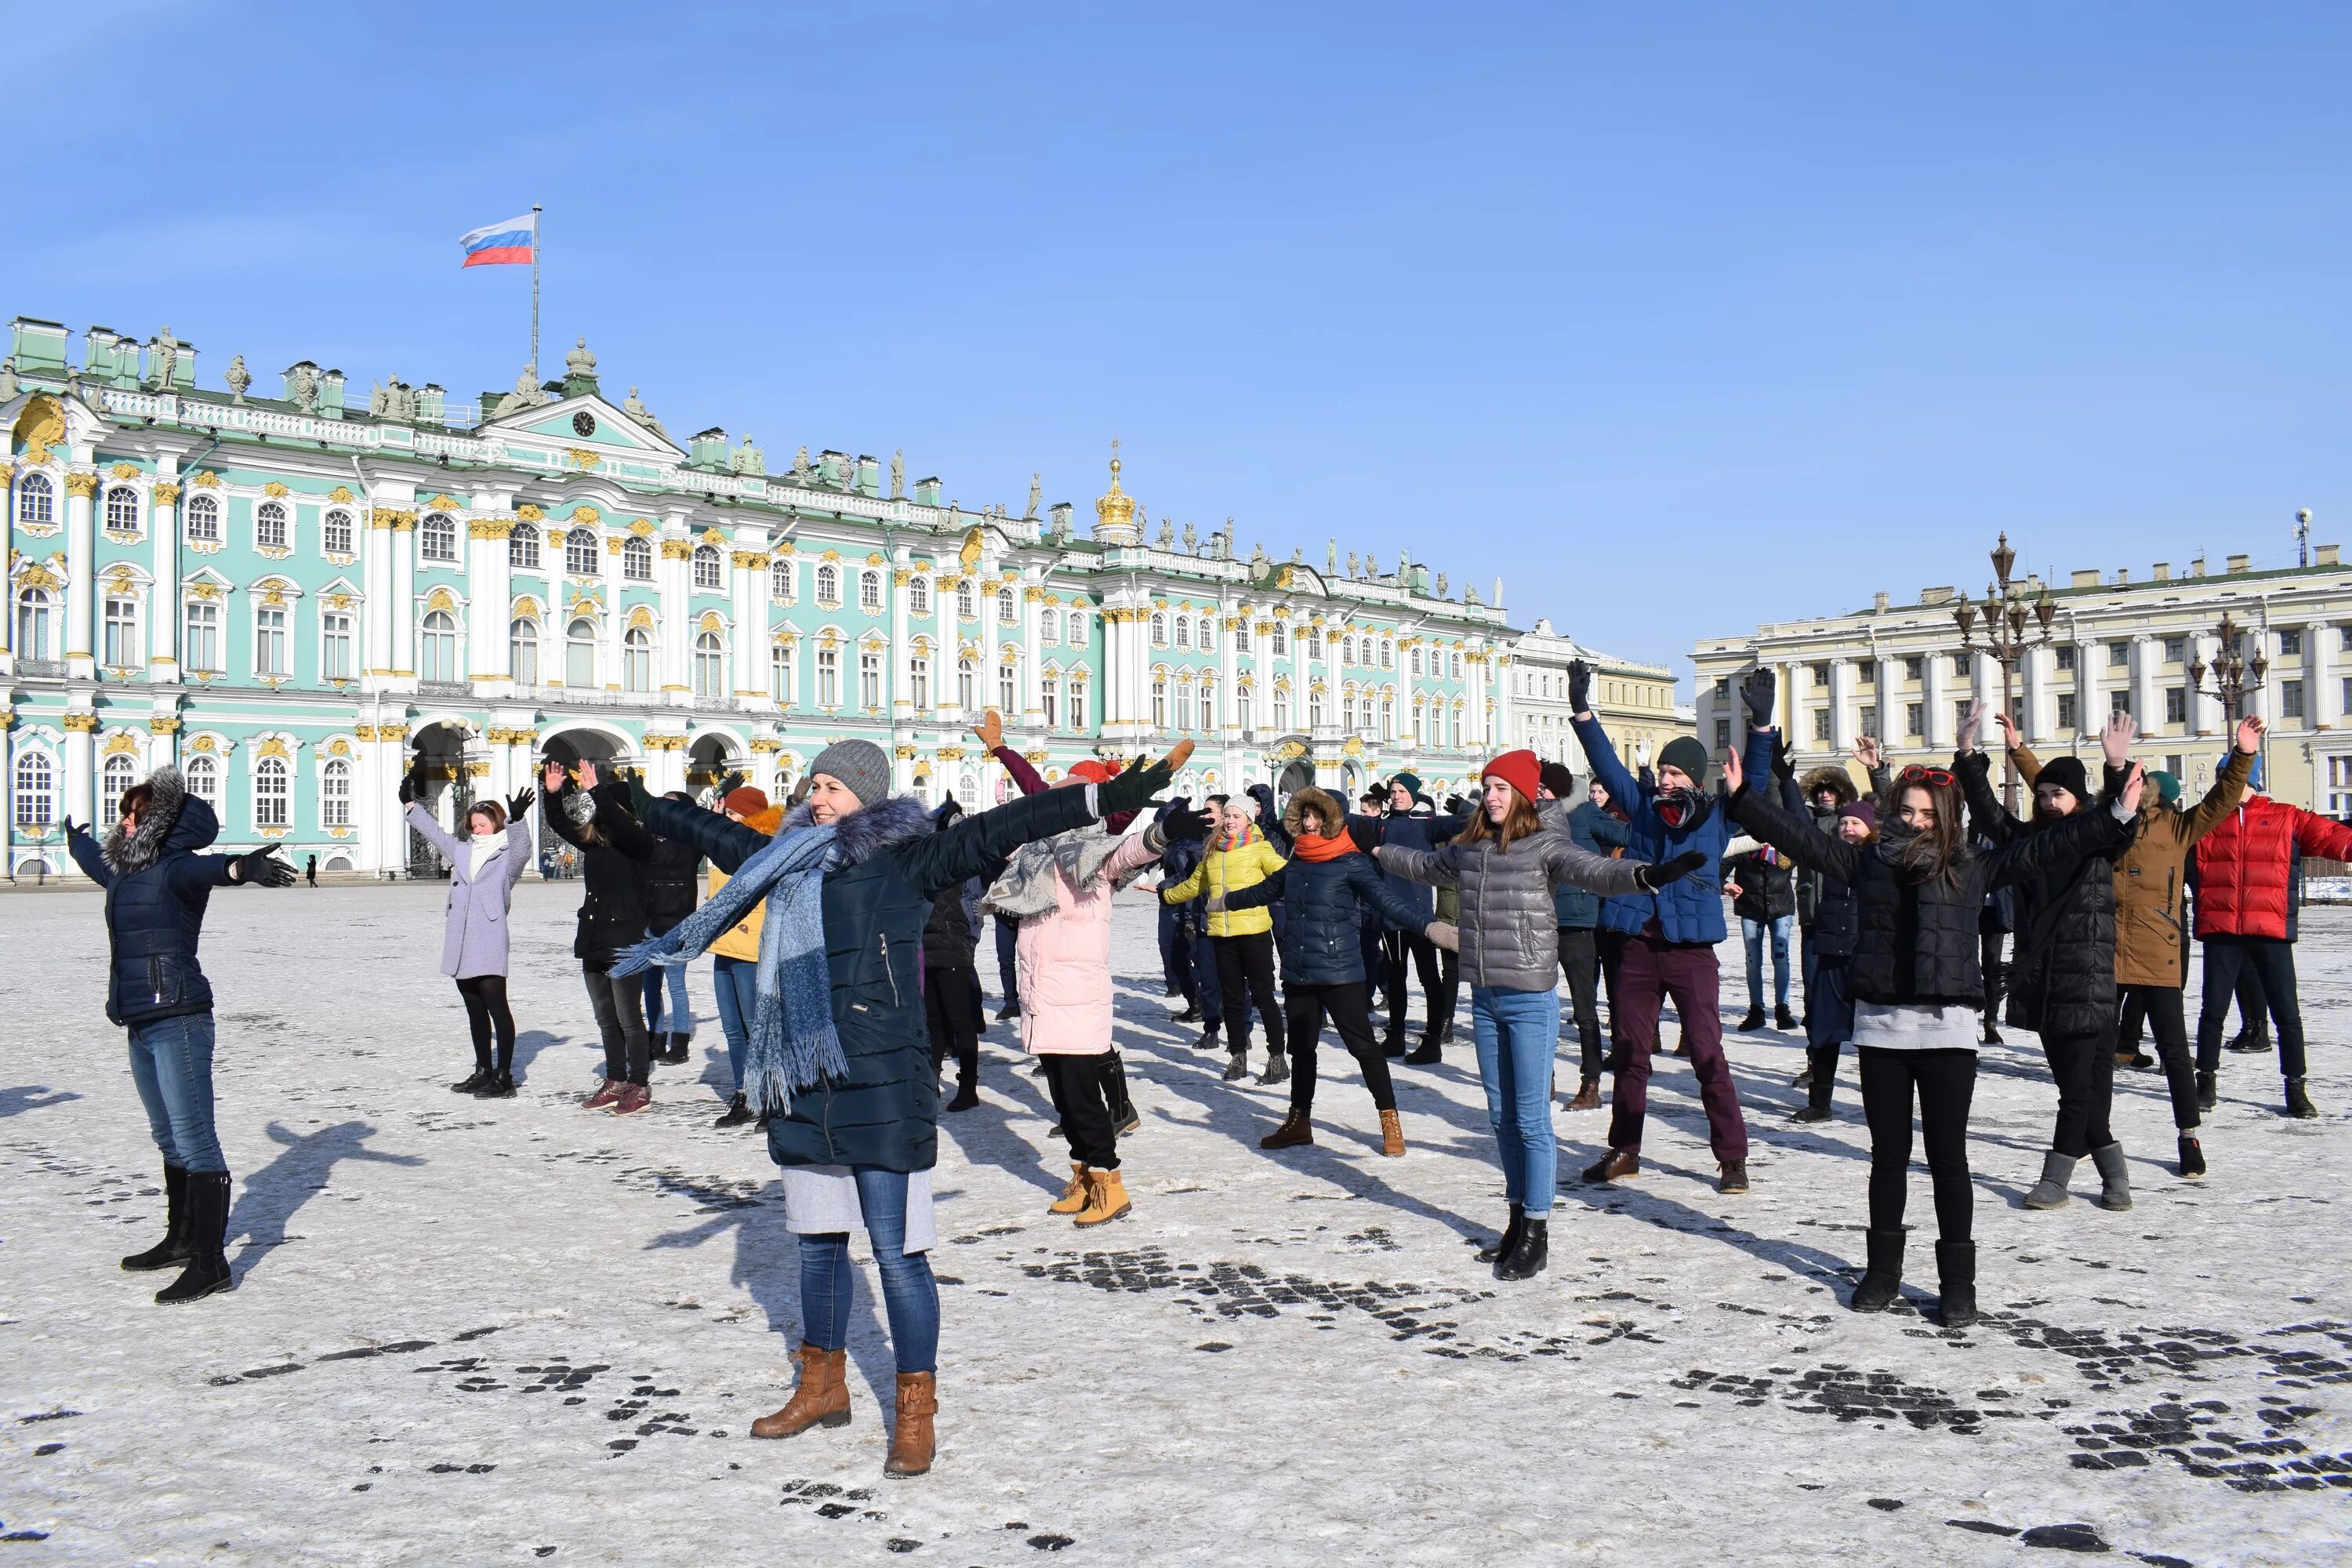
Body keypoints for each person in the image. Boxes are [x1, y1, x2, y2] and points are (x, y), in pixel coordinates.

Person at [615, 737, 1181, 1478]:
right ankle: (821, 1387)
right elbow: (710, 832)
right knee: (817, 1248)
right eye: (813, 784)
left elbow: (1003, 825)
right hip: (806, 1081)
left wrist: (1096, 800)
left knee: (897, 1257)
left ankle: (916, 1409)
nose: (818, 797)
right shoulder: (785, 860)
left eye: (834, 788)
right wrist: (639, 804)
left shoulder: (911, 861)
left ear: (869, 798)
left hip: (882, 1082)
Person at [1724, 739, 2142, 1326]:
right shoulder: (1866, 861)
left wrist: (2115, 813)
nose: (1915, 822)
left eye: (1926, 813)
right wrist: (1744, 796)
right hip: (1883, 1031)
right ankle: (1883, 1272)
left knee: (1949, 1158)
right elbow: (1805, 842)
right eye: (1907, 812)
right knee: (1888, 1157)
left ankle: (1957, 1283)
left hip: (1948, 1033)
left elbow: (2054, 844)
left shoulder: (1973, 865)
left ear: (1944, 819)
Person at [1377, 750, 1690, 1281]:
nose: (1493, 796)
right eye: (1488, 787)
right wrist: (1377, 847)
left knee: (1530, 1120)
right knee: (1500, 1118)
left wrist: (1646, 875)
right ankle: (1517, 1216)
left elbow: (1595, 871)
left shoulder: (1547, 845)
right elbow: (1426, 866)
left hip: (1529, 998)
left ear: (1524, 794)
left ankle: (1538, 1231)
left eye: (1503, 788)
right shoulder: (1471, 846)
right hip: (1486, 995)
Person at [64, 765, 296, 1305]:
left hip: (180, 1018)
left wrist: (244, 868)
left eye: (133, 814)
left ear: (160, 824)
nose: (123, 821)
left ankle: (211, 1263)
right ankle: (180, 1239)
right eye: (124, 813)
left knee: (195, 1140)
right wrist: (76, 841)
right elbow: (98, 865)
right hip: (139, 1020)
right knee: (167, 1138)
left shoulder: (175, 869)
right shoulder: (126, 872)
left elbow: (215, 870)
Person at [1998, 710, 2258, 1175]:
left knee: (2174, 1049)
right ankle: (2096, 1138)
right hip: (2100, 953)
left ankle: (2188, 1134)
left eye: (2140, 790)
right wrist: (2019, 751)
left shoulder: (2177, 827)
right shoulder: (2098, 824)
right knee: (2100, 1057)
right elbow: (2054, 787)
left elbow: (2222, 799)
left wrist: (2242, 755)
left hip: (2157, 950)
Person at [1571, 660, 1757, 1194]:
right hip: (1637, 947)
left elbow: (1755, 790)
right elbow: (1606, 766)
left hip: (1690, 951)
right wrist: (1583, 712)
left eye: (1675, 773)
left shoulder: (1718, 817)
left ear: (1695, 779)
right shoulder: (1643, 809)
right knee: (1631, 1053)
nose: (1666, 779)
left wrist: (1761, 732)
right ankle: (1625, 1150)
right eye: (1663, 772)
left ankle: (1732, 1157)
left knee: (1706, 1052)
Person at [987, 752, 1196, 1216]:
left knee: (1083, 1100)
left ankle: (1110, 1183)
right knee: (1062, 1096)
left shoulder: (1096, 857)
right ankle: (1083, 1174)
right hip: (1042, 993)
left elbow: (1134, 849)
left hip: (1077, 997)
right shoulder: (1032, 858)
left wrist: (1167, 831)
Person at [1960, 710, 2145, 1211]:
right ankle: (2114, 1176)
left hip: (2087, 979)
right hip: (2041, 979)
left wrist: (2116, 765)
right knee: (2078, 1085)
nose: (2047, 802)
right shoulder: (2027, 844)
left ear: (2078, 800)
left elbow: (2122, 826)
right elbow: (1986, 815)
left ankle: (2057, 1179)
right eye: (2042, 795)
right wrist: (1968, 755)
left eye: (2057, 795)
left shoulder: (2095, 839)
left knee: (2077, 1089)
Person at [1222, 786, 1455, 1156]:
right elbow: (1266, 890)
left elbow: (1386, 900)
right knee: (1302, 1050)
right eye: (1306, 816)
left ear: (1333, 820)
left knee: (1363, 1048)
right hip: (1299, 972)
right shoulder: (1297, 860)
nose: (1311, 824)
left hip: (1341, 971)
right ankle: (1300, 1121)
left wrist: (1430, 927)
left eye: (1318, 816)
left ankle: (1389, 1118)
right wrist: (1225, 900)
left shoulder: (1351, 862)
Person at [2185, 742, 2352, 1121]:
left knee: (2287, 1014)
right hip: (2221, 928)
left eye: (2231, 777)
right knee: (2212, 1011)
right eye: (2220, 778)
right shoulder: (2204, 819)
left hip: (2270, 928)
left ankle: (2296, 1087)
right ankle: (2205, 1081)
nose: (2223, 784)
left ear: (2251, 780)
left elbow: (2338, 840)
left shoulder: (2286, 817)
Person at [399, 760, 536, 1098]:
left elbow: (523, 849)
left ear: (496, 824)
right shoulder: (462, 851)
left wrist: (517, 819)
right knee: (474, 1007)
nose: (477, 830)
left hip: (488, 936)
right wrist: (410, 805)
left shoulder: (507, 856)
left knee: (496, 1005)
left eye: (483, 824)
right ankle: (482, 1070)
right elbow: (436, 833)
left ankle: (504, 1077)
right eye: (473, 825)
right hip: (460, 937)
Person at [542, 760, 659, 1115]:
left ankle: (638, 1084)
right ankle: (615, 1079)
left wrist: (598, 791)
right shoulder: (596, 844)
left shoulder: (640, 843)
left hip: (626, 941)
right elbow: (561, 823)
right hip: (594, 939)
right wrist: (553, 793)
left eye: (608, 805)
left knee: (629, 1018)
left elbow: (623, 826)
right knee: (606, 1018)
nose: (600, 811)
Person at [1161, 797, 1290, 1084]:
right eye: (1228, 815)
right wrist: (1166, 896)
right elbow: (1195, 885)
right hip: (1222, 934)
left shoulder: (1260, 849)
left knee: (1264, 997)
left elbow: (1285, 874)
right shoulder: (1213, 851)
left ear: (1249, 820)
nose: (1230, 821)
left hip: (1255, 933)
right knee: (1231, 998)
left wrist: (1266, 895)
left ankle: (1277, 1058)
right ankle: (1238, 1057)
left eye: (1236, 816)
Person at [1544, 763, 1627, 1110]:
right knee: (1541, 1009)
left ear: (1561, 790)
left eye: (1544, 788)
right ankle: (1542, 1080)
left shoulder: (1586, 814)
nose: (1538, 793)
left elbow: (1626, 836)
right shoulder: (1529, 819)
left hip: (1578, 920)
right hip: (1539, 922)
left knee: (1584, 1009)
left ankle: (1590, 1083)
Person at [706, 783, 782, 1127]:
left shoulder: (764, 848)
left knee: (757, 1028)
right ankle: (745, 1095)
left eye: (736, 814)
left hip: (752, 949)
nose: (729, 818)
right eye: (728, 813)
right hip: (723, 947)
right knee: (733, 1031)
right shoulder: (724, 844)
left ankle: (770, 1097)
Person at [1372, 775, 1447, 1058]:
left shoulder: (1425, 825)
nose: (1396, 796)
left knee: (1429, 977)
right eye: (1393, 791)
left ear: (1414, 794)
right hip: (1391, 916)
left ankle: (1433, 1039)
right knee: (1396, 977)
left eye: (1402, 791)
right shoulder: (1383, 825)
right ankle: (1396, 1035)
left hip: (1420, 915)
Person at [638, 789, 706, 1066]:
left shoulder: (688, 841)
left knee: (676, 986)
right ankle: (655, 1038)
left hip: (677, 923)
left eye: (671, 804)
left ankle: (680, 1043)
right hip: (648, 923)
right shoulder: (648, 839)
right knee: (650, 987)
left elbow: (706, 829)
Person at [1722, 839, 1797, 1033]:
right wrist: (1724, 884)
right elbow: (1719, 866)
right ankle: (1756, 1009)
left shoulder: (1786, 843)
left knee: (1781, 957)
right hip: (1750, 907)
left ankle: (1782, 1008)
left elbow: (1809, 859)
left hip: (1782, 906)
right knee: (1752, 961)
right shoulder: (1745, 845)